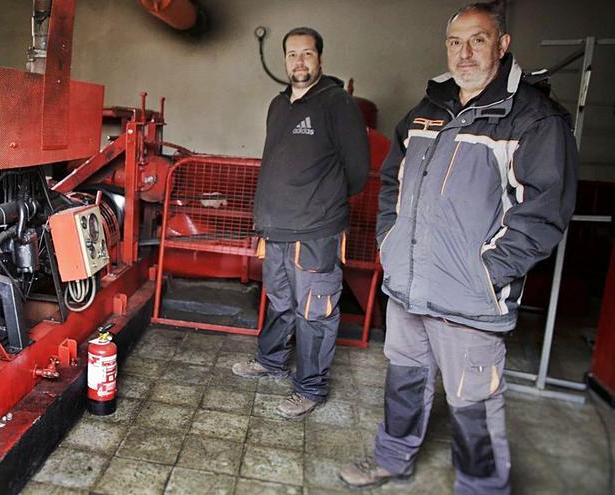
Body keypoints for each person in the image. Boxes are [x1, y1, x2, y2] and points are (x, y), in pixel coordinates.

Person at [338, 3, 577, 493]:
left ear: (502, 44)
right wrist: (391, 240)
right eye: (454, 42)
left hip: (470, 298)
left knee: (474, 406)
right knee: (404, 383)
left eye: (478, 40)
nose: (464, 53)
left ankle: (483, 488)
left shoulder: (533, 119)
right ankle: (392, 459)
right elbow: (392, 183)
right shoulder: (426, 111)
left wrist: (487, 272)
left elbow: (545, 212)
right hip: (408, 286)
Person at [232, 26, 369, 419]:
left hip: (315, 231)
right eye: (293, 54)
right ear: (285, 60)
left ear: (320, 58)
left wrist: (320, 204)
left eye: (307, 54)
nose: (299, 62)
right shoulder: (279, 105)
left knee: (315, 309)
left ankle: (310, 388)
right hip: (276, 228)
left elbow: (357, 171)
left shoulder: (337, 103)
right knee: (278, 300)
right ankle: (271, 361)